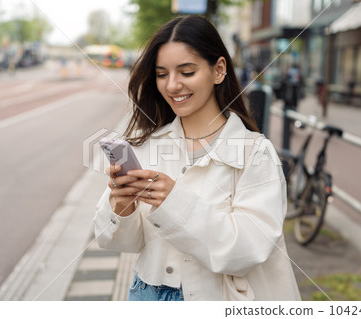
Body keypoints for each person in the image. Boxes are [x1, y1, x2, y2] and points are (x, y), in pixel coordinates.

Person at [94, 15, 300, 301]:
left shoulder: (255, 152)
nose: (172, 85)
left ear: (218, 70)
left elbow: (249, 249)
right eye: (162, 74)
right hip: (144, 295)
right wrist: (121, 206)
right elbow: (120, 241)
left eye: (187, 72)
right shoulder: (148, 144)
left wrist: (174, 200)